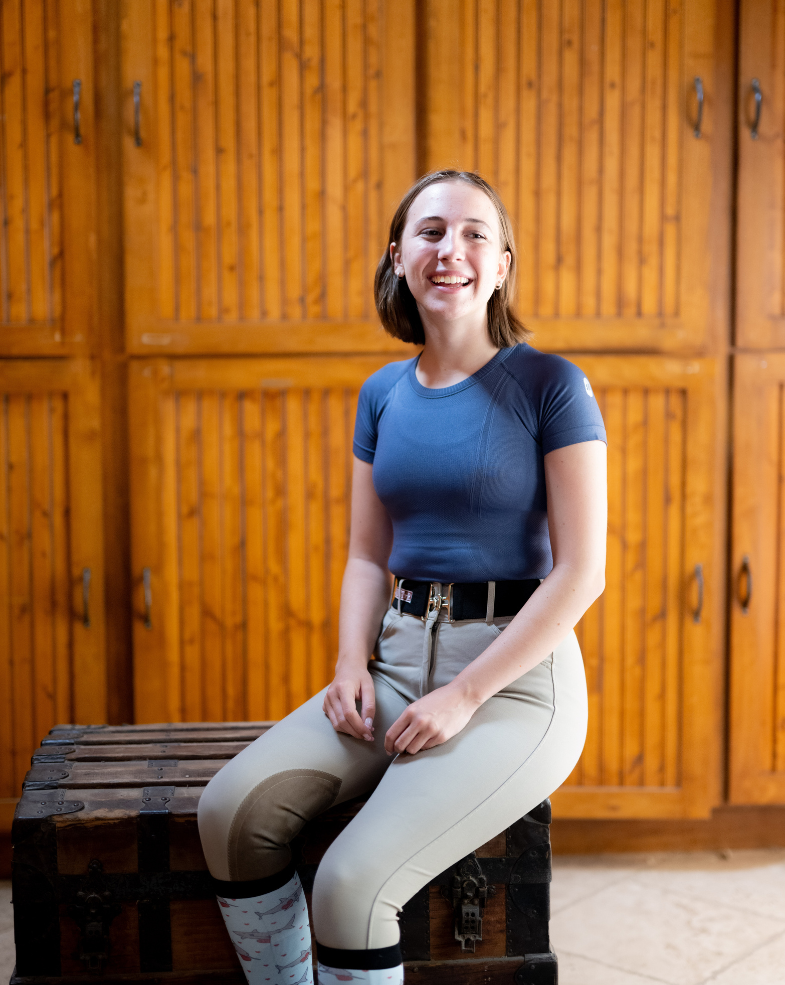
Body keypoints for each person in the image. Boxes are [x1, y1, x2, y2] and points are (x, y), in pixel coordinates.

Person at [197, 169, 607, 985]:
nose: (449, 249)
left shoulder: (549, 386)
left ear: (500, 265)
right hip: (390, 665)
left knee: (351, 886)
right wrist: (351, 665)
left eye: (472, 234)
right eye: (428, 232)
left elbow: (582, 572)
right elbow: (363, 556)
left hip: (513, 689)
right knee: (229, 814)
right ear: (397, 257)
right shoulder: (381, 394)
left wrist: (463, 695)